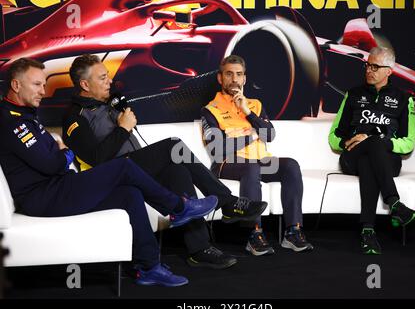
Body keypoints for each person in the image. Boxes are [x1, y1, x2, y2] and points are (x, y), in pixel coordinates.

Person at [0, 58, 221, 287]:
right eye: (37, 85)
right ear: (16, 85)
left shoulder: (24, 116)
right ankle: (178, 207)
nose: (43, 92)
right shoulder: (12, 122)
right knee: (124, 167)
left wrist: (61, 154)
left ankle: (148, 267)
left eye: (44, 85)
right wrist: (65, 155)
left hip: (58, 187)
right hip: (45, 197)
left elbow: (51, 158)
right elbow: (52, 164)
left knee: (129, 193)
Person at [62, 54, 268, 269]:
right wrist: (123, 128)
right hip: (111, 177)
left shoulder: (109, 104)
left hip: (135, 169)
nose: (109, 82)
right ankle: (227, 202)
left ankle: (200, 250)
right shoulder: (74, 117)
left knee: (178, 170)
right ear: (85, 84)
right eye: (102, 78)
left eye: (108, 76)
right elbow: (97, 159)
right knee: (173, 146)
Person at [201, 55, 313, 256]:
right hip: (227, 164)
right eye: (229, 74)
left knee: (290, 166)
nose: (234, 79)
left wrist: (247, 113)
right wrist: (251, 136)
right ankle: (254, 234)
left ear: (244, 79)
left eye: (239, 74)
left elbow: (270, 135)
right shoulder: (210, 109)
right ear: (220, 78)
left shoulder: (255, 105)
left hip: (259, 161)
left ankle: (293, 231)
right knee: (251, 166)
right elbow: (218, 149)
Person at [328, 47, 415, 255]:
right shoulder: (353, 95)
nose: (369, 70)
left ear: (389, 71)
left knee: (372, 154)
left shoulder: (404, 99)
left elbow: (408, 142)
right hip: (352, 156)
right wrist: (349, 142)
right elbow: (334, 137)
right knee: (368, 150)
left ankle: (367, 231)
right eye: (367, 65)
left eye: (375, 67)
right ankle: (395, 205)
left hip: (387, 161)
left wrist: (377, 140)